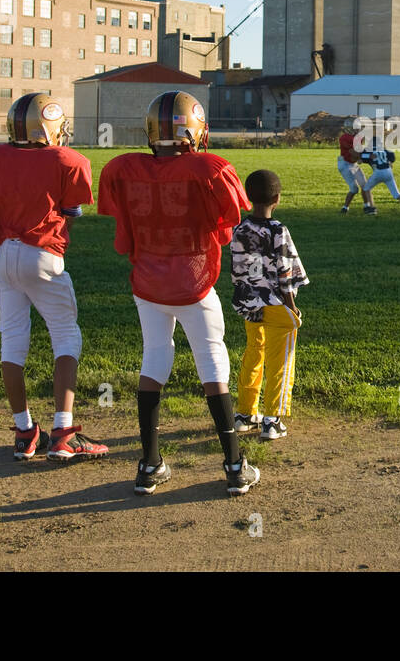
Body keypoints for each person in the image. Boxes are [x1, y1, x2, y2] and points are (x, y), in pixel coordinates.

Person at [97, 91, 259, 496]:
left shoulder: (122, 168)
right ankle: (235, 465)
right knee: (211, 361)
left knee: (154, 356)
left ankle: (149, 464)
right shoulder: (210, 167)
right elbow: (226, 225)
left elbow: (122, 234)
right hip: (194, 282)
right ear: (194, 128)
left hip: (147, 283)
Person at [0, 92, 109, 462]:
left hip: (4, 258)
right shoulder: (67, 160)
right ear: (51, 128)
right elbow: (71, 217)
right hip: (43, 255)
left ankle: (25, 432)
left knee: (12, 343)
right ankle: (63, 432)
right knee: (65, 336)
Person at [231, 170, 309, 442]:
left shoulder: (239, 230)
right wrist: (291, 306)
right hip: (277, 304)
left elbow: (238, 271)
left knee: (254, 354)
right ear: (277, 198)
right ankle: (272, 420)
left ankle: (244, 414)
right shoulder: (279, 230)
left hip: (250, 305)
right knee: (280, 362)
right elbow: (285, 273)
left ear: (248, 197)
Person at [361, 138, 400, 215]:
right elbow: (391, 158)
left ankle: (372, 208)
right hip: (388, 172)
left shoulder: (368, 152)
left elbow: (360, 159)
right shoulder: (386, 152)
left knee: (366, 188)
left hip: (378, 172)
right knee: (397, 194)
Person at [337, 118, 374, 214]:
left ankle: (367, 206)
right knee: (354, 189)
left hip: (353, 163)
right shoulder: (344, 138)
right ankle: (345, 208)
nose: (358, 130)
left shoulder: (357, 137)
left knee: (365, 185)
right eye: (356, 128)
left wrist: (366, 157)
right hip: (345, 164)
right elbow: (354, 152)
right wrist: (367, 157)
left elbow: (361, 151)